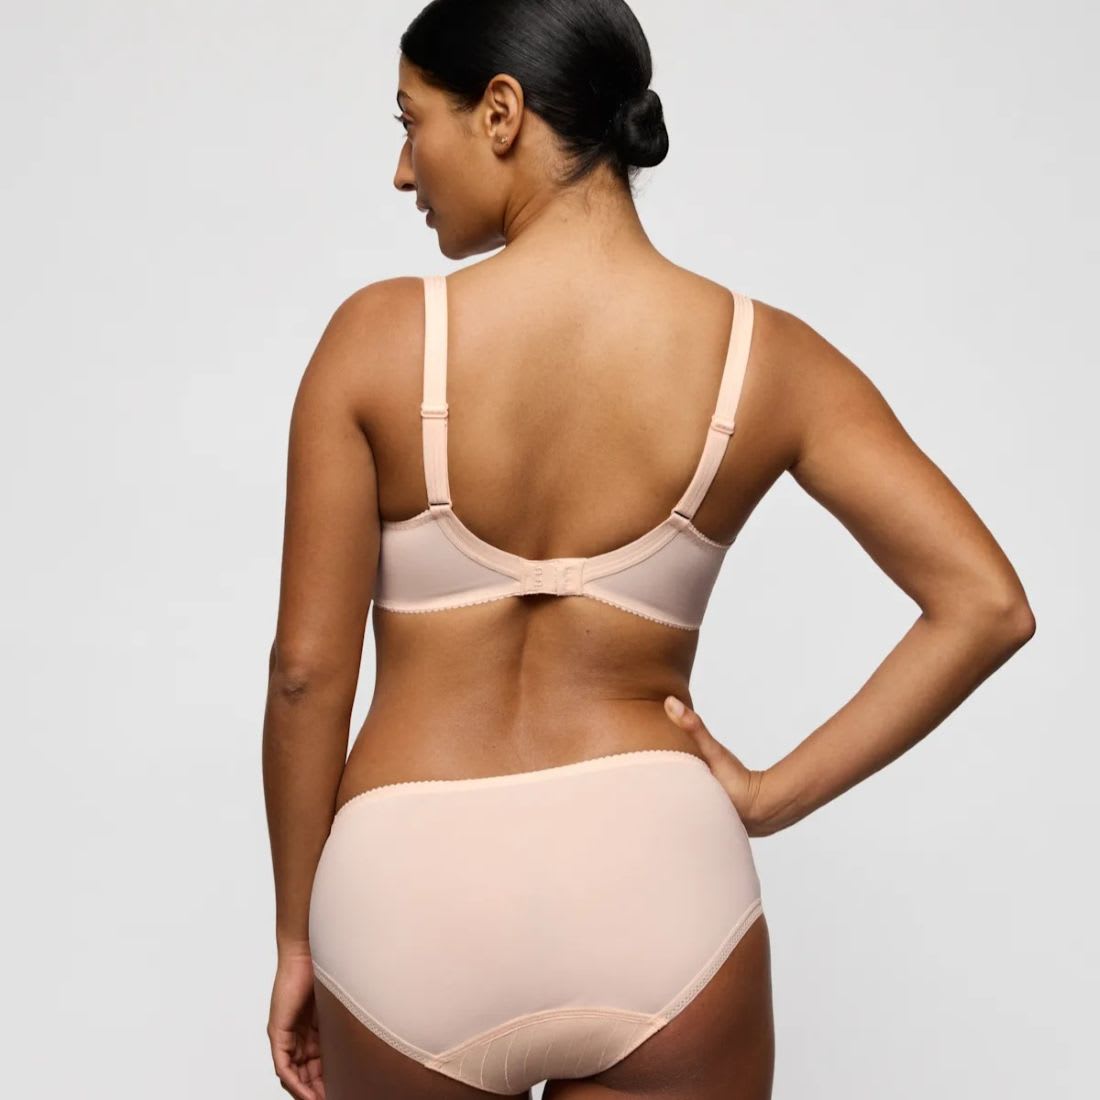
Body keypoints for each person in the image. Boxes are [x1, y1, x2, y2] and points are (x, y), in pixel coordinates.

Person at [262, 2, 1036, 1097]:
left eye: (410, 122)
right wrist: (764, 796)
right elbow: (985, 603)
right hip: (659, 885)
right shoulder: (766, 360)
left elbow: (305, 675)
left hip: (406, 897)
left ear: (499, 113)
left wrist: (299, 935)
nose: (402, 170)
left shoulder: (375, 340)